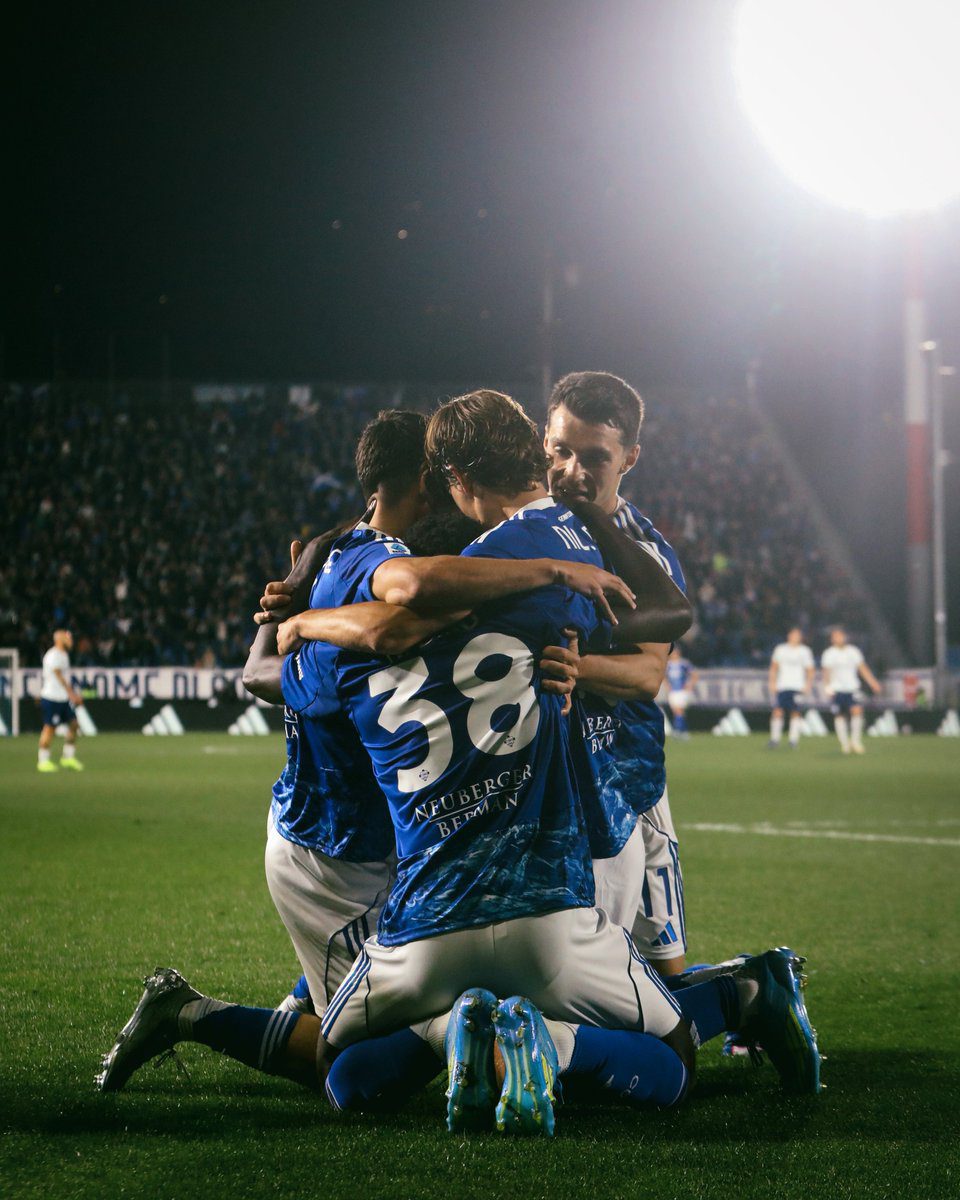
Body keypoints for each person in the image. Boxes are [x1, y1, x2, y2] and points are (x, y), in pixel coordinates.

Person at [543, 371, 690, 976]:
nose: (573, 470)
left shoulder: (643, 554)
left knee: (663, 975)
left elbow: (648, 673)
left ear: (630, 457)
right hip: (551, 780)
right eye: (560, 450)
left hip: (627, 778)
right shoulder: (525, 525)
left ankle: (753, 992)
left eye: (595, 457)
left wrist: (573, 666)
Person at [820, 627, 882, 755]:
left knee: (857, 711)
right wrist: (827, 687)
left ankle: (856, 741)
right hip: (837, 689)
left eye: (841, 635)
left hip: (852, 688)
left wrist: (873, 682)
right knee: (840, 716)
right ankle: (844, 744)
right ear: (832, 639)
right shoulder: (829, 653)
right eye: (836, 636)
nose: (839, 638)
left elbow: (862, 669)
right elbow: (826, 672)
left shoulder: (853, 651)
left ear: (845, 637)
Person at [37, 629, 84, 773]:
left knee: (74, 724)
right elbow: (59, 677)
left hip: (62, 698)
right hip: (52, 698)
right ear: (59, 639)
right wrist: (72, 694)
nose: (70, 640)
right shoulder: (53, 655)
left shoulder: (63, 655)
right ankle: (43, 761)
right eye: (67, 638)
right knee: (50, 728)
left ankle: (68, 757)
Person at [767, 627, 815, 749]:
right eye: (793, 634)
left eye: (798, 635)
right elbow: (774, 667)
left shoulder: (805, 651)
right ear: (789, 636)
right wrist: (772, 683)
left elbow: (810, 669)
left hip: (797, 686)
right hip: (782, 685)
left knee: (795, 712)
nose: (795, 637)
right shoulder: (780, 649)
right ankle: (774, 739)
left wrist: (808, 684)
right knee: (777, 711)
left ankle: (793, 740)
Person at [665, 646, 698, 740]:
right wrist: (667, 687)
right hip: (673, 692)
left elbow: (694, 675)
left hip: (682, 691)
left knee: (679, 711)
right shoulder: (668, 665)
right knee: (677, 712)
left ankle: (677, 731)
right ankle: (684, 732)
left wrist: (689, 685)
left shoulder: (684, 663)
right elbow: (664, 677)